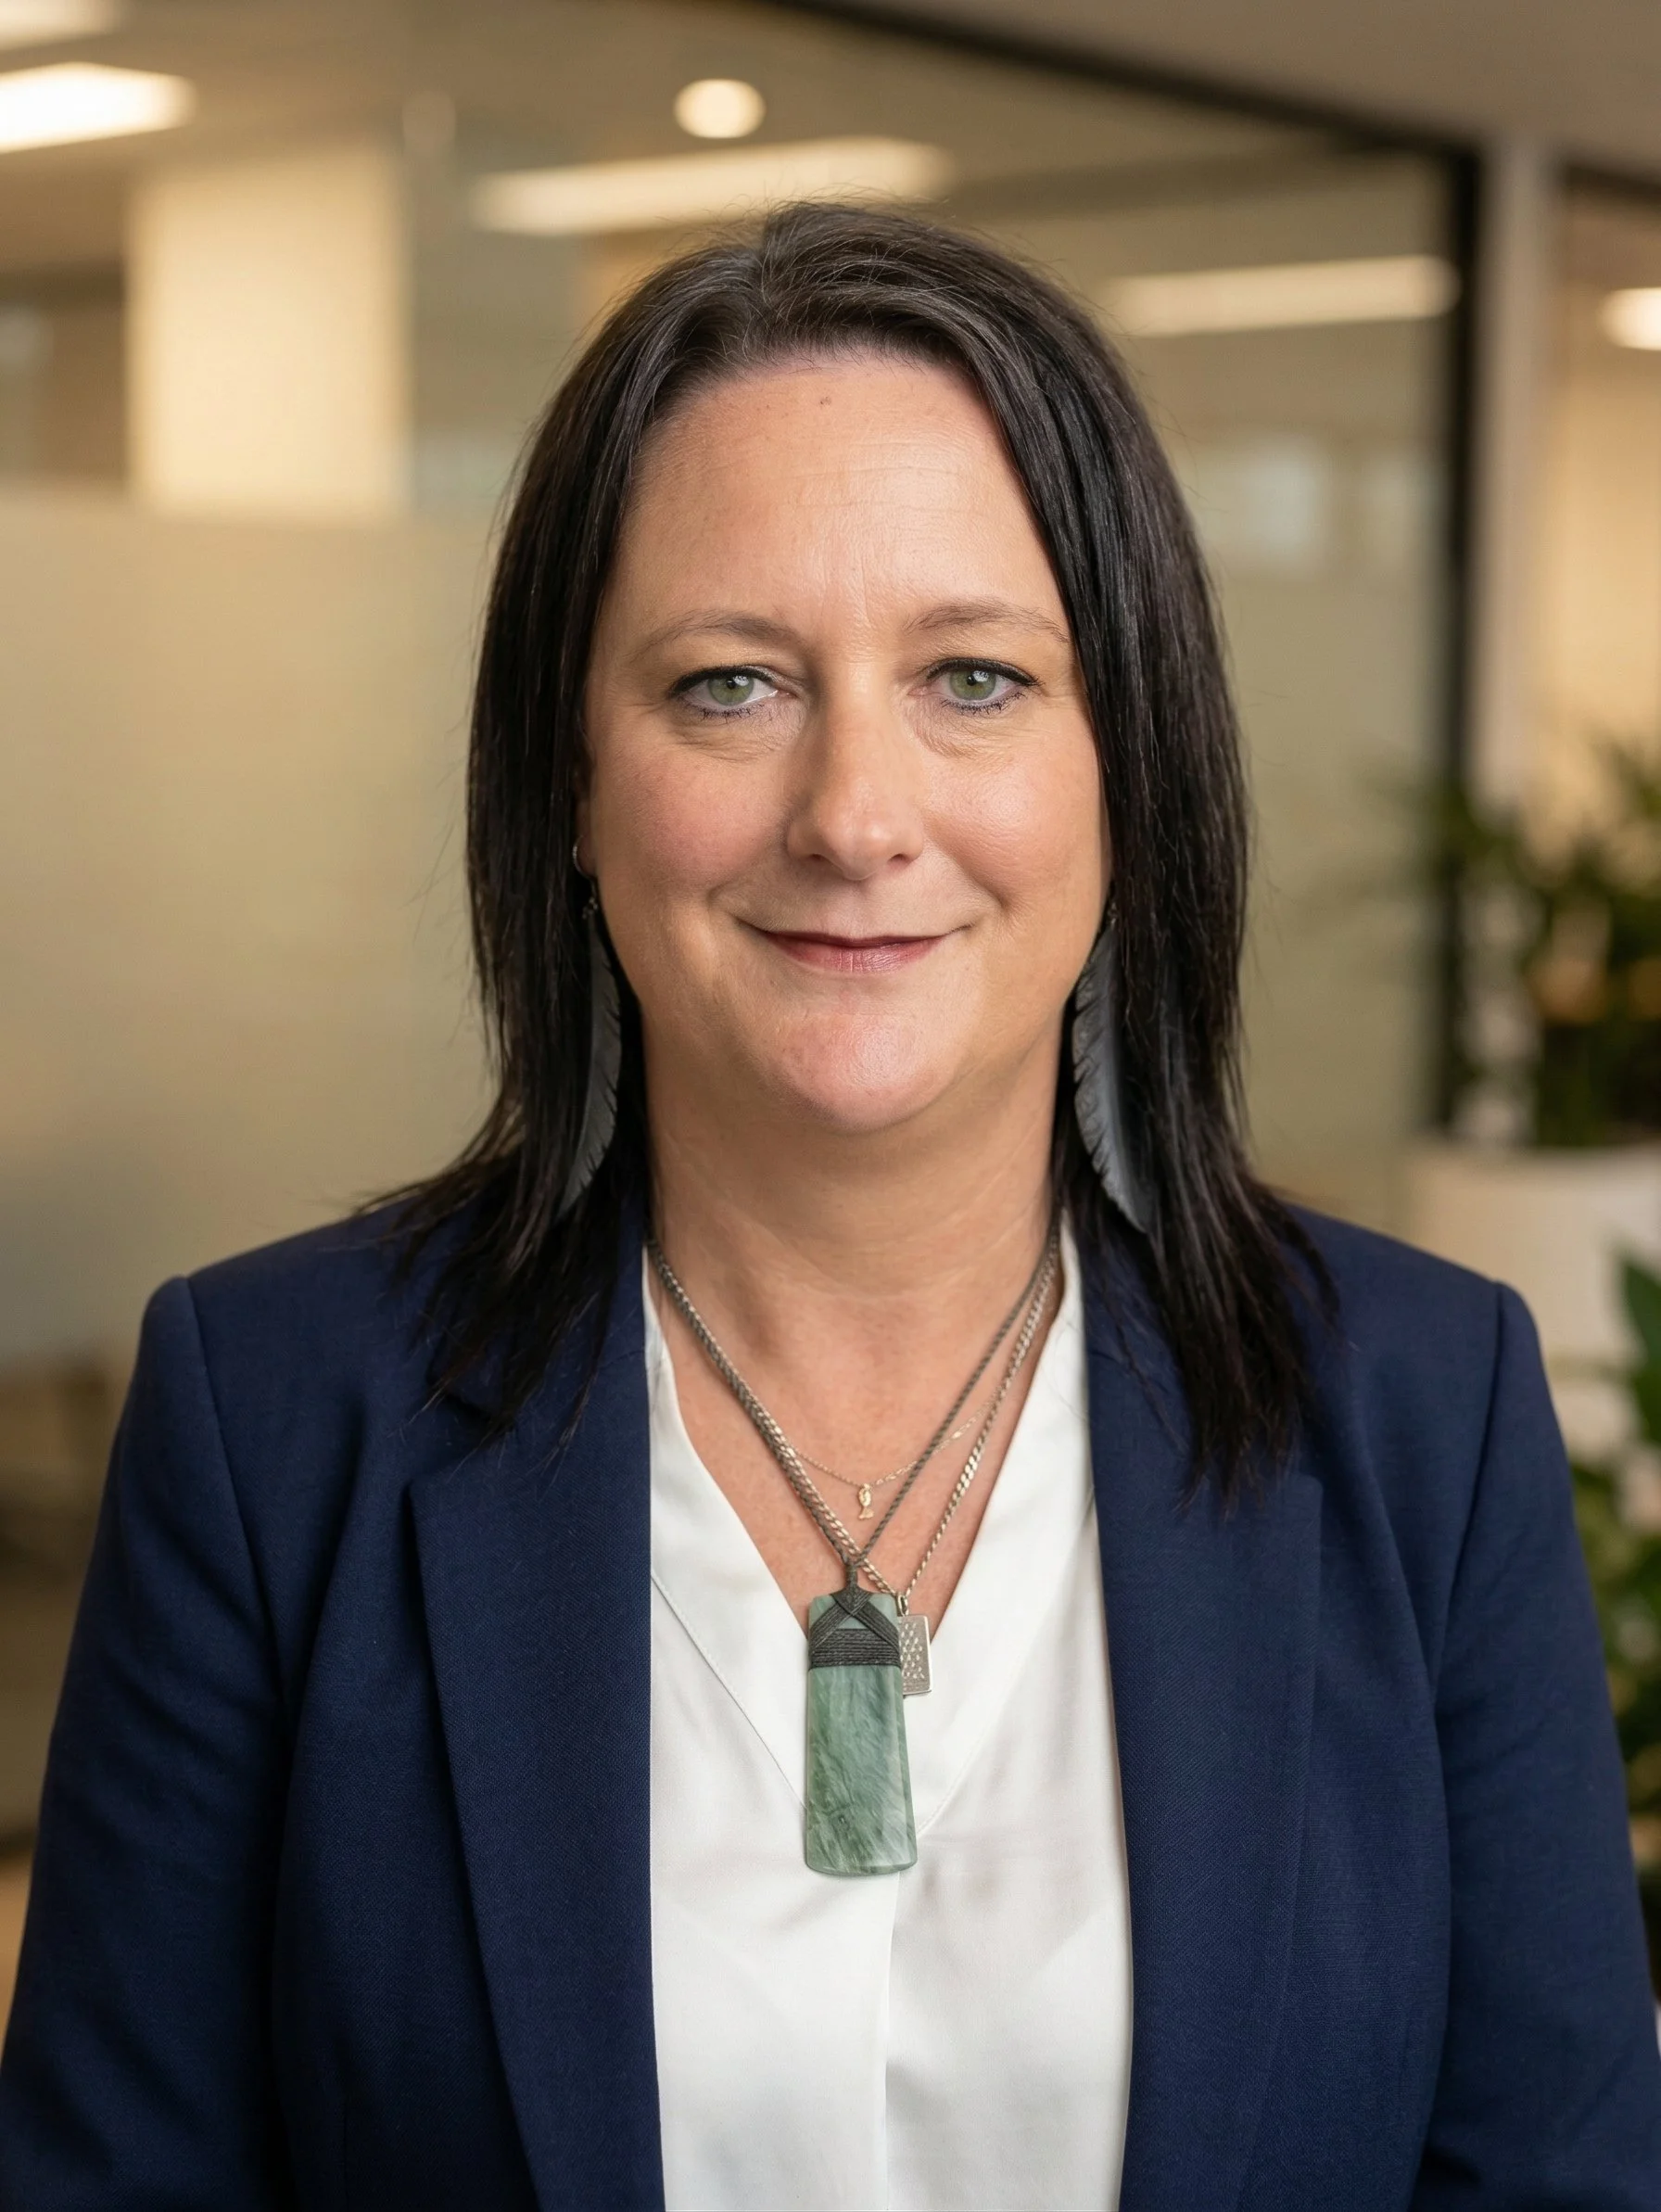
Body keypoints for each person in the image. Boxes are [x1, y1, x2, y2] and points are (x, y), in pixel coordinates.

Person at [1, 201, 1657, 2212]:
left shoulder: (1419, 1408)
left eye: (972, 675)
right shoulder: (273, 1418)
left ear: (1125, 771)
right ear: (571, 784)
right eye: (727, 686)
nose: (853, 812)